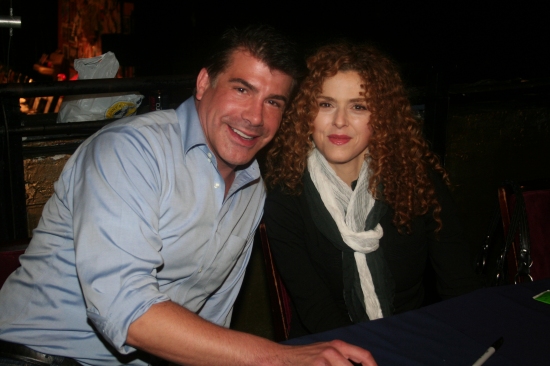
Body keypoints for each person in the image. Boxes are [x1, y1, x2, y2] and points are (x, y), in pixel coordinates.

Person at [0, 27, 377, 366]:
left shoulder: (251, 189)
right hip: (39, 355)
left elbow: (212, 321)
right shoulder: (130, 151)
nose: (255, 117)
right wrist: (280, 357)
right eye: (242, 89)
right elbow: (126, 311)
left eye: (274, 102)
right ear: (202, 83)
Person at [262, 42, 483, 339]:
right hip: (328, 347)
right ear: (305, 113)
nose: (339, 121)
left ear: (381, 118)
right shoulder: (286, 194)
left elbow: (459, 285)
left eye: (358, 106)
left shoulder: (416, 179)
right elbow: (316, 310)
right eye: (326, 104)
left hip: (416, 338)